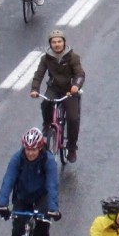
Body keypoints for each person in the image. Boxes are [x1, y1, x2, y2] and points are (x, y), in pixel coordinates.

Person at [0, 127, 61, 236]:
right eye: (27, 149)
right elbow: (8, 180)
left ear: (40, 148)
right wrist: (2, 204)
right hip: (23, 196)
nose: (30, 153)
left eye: (34, 150)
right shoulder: (17, 159)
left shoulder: (48, 161)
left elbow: (52, 185)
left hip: (41, 196)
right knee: (17, 229)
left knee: (43, 219)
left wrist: (53, 209)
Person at [29, 28, 84, 160]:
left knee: (73, 119)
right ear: (50, 44)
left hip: (70, 91)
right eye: (54, 42)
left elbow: (80, 74)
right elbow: (39, 74)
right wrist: (34, 89)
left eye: (59, 41)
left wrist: (76, 85)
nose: (57, 44)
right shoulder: (46, 58)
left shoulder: (73, 57)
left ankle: (72, 148)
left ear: (64, 42)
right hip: (54, 89)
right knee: (45, 103)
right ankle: (47, 124)